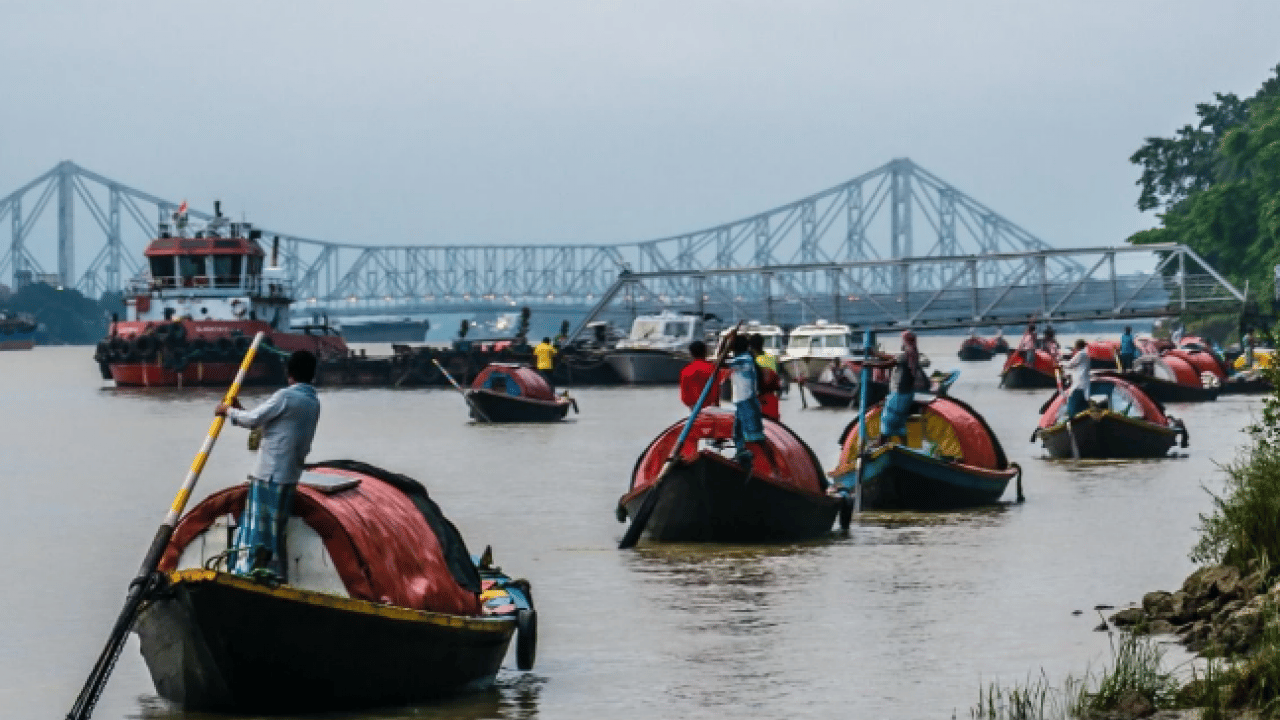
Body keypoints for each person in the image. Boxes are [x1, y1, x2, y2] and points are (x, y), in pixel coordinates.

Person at [215, 350, 320, 581]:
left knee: (256, 528)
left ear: (289, 372)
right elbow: (265, 423)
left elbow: (254, 420)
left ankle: (249, 573)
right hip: (290, 474)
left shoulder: (285, 397)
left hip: (269, 474)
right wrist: (238, 410)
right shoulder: (312, 402)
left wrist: (226, 411)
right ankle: (273, 572)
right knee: (275, 529)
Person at [727, 334, 774, 467]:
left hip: (747, 402)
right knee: (737, 434)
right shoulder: (742, 359)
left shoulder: (744, 360)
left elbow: (721, 363)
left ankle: (773, 466)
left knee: (756, 437)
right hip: (742, 402)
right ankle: (742, 458)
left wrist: (725, 344)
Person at [877, 331, 928, 446]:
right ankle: (905, 447)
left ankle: (880, 445)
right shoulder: (913, 354)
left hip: (899, 393)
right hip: (908, 394)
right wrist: (876, 354)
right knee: (900, 422)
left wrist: (868, 364)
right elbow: (892, 357)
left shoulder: (906, 354)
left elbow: (887, 364)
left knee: (887, 420)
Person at [679, 340, 722, 408]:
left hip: (693, 407)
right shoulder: (713, 369)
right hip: (711, 407)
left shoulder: (686, 370)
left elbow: (684, 396)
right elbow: (716, 390)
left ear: (691, 353)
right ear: (705, 351)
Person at [748, 333, 781, 421]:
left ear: (750, 345)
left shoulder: (750, 360)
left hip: (757, 400)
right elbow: (776, 377)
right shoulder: (771, 358)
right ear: (762, 344)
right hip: (772, 400)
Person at [1063, 339, 1091, 421]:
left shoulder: (1080, 354)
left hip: (1078, 384)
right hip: (1084, 383)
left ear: (1077, 346)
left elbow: (1070, 364)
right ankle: (1083, 418)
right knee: (1083, 404)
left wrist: (1060, 363)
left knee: (1072, 404)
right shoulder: (1086, 354)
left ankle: (1072, 419)